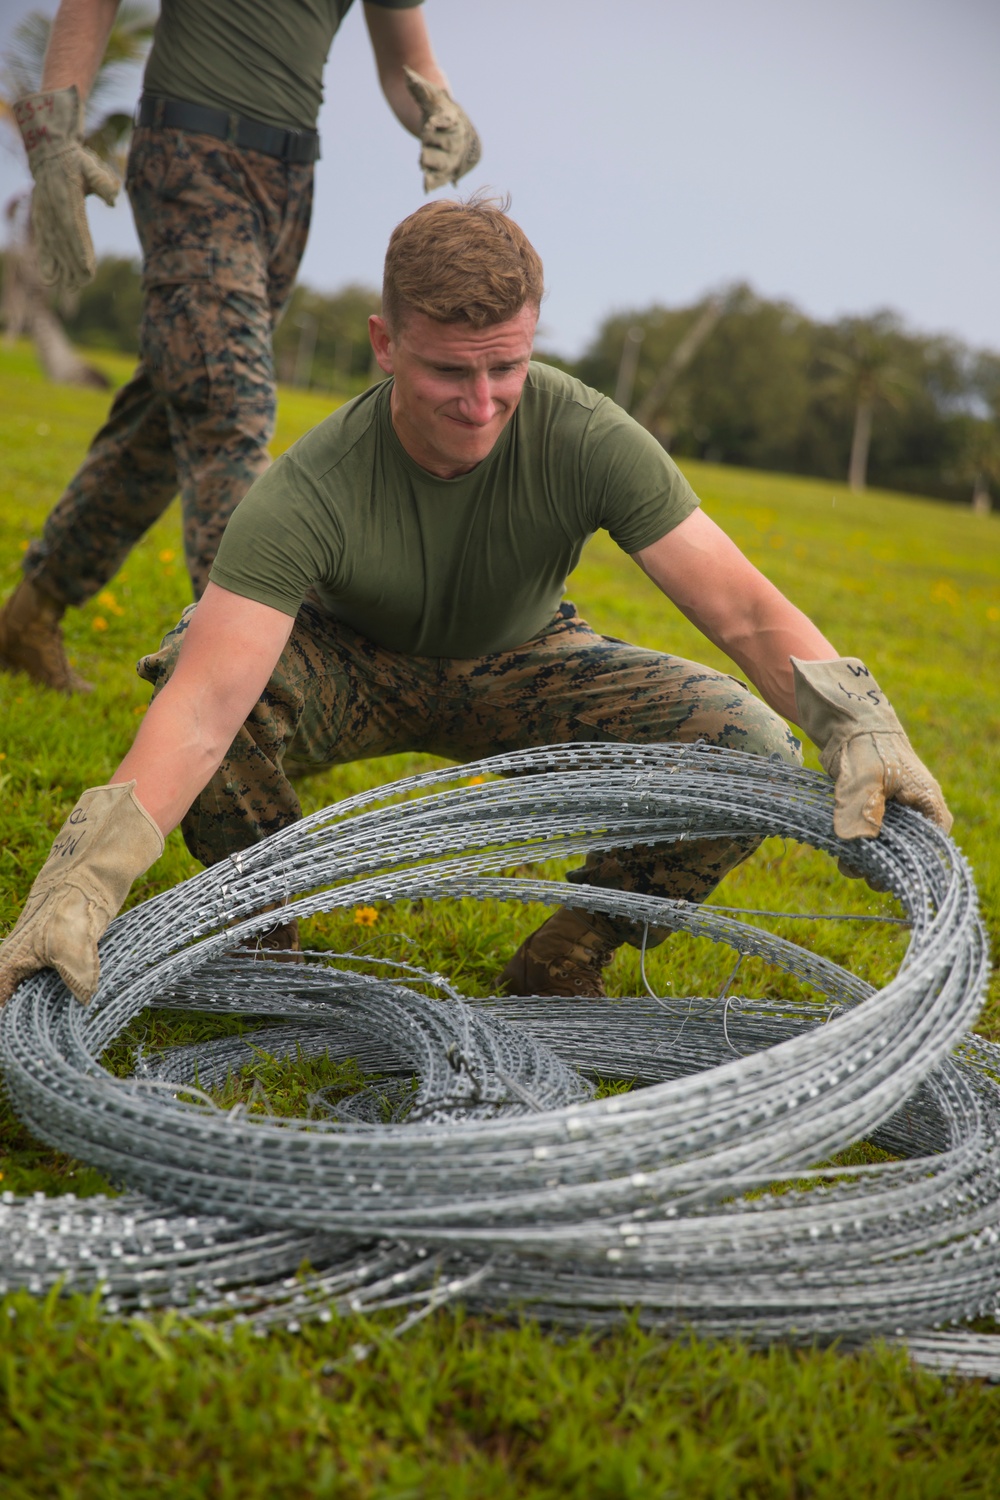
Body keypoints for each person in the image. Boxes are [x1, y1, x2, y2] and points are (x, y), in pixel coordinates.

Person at [0, 198, 952, 1007]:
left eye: (507, 366)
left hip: (523, 661)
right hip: (352, 663)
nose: (483, 401)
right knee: (190, 667)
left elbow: (742, 609)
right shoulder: (307, 490)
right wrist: (80, 886)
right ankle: (266, 941)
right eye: (450, 370)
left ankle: (572, 950)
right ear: (385, 344)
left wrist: (857, 722)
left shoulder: (586, 434)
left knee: (746, 745)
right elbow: (204, 708)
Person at [0, 0, 480, 693]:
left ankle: (29, 615)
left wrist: (443, 116)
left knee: (172, 410)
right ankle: (255, 688)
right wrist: (53, 133)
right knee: (229, 405)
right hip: (190, 153)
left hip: (290, 179)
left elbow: (409, 68)